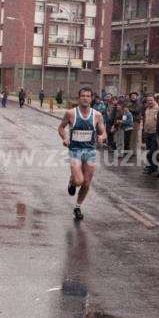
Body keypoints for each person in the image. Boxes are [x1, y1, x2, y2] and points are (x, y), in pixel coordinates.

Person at [58, 87, 107, 221]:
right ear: (78, 98)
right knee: (79, 181)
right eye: (83, 96)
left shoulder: (97, 115)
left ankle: (77, 207)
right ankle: (72, 181)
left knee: (86, 183)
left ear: (91, 98)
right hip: (75, 151)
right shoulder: (70, 113)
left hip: (90, 151)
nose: (85, 98)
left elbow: (104, 132)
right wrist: (65, 138)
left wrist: (102, 137)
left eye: (88, 96)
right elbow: (61, 127)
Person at [143, 94, 159, 174]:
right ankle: (151, 167)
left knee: (153, 151)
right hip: (147, 132)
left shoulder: (157, 108)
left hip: (155, 132)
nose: (149, 102)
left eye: (151, 100)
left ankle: (155, 167)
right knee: (148, 150)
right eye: (148, 100)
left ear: (154, 100)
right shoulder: (147, 109)